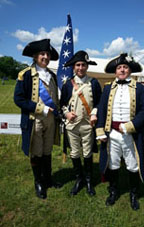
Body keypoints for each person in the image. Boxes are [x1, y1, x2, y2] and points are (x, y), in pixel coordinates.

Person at [96, 53, 144, 210]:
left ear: (130, 70)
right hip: (111, 134)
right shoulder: (107, 88)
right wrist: (100, 131)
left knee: (133, 165)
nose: (122, 70)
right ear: (115, 72)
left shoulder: (140, 88)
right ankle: (113, 191)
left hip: (132, 135)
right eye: (119, 67)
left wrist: (130, 126)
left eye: (125, 67)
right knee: (112, 164)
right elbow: (101, 110)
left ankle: (134, 193)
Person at [14, 39, 62, 199]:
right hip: (35, 120)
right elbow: (18, 99)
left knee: (47, 150)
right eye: (42, 54)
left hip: (50, 121)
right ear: (35, 56)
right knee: (36, 152)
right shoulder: (26, 74)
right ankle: (38, 182)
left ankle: (48, 179)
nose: (45, 57)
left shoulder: (53, 76)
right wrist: (40, 108)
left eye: (47, 54)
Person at [60, 50, 102, 196]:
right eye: (78, 65)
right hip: (72, 125)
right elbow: (62, 104)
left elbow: (99, 103)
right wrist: (67, 113)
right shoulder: (67, 84)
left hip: (87, 125)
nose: (80, 68)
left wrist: (95, 114)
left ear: (87, 66)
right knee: (75, 152)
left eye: (83, 65)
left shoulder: (94, 83)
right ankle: (79, 179)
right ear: (74, 67)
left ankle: (89, 180)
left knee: (88, 152)